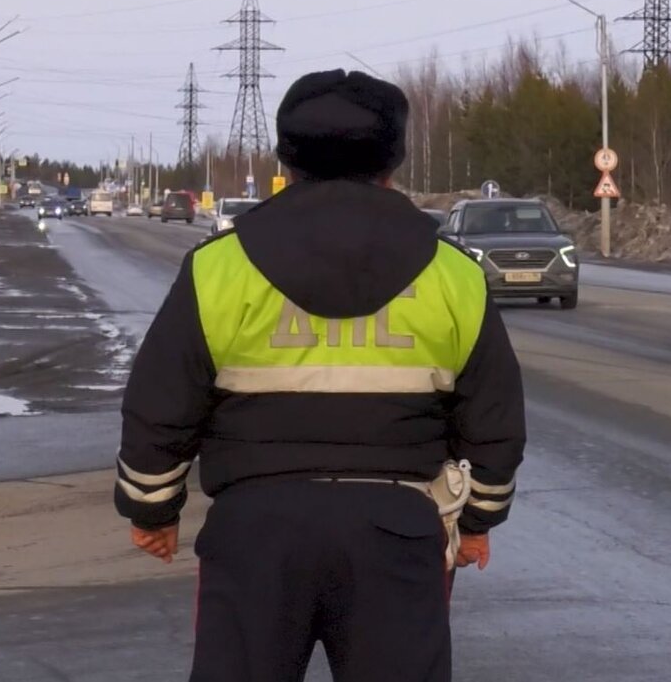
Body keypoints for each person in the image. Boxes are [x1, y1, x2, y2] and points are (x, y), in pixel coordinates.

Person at [114, 69, 527, 682]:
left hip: (255, 532)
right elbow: (493, 419)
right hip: (398, 535)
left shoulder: (219, 267)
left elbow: (162, 404)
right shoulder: (452, 273)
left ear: (287, 158)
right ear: (395, 158)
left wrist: (153, 510)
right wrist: (476, 523)